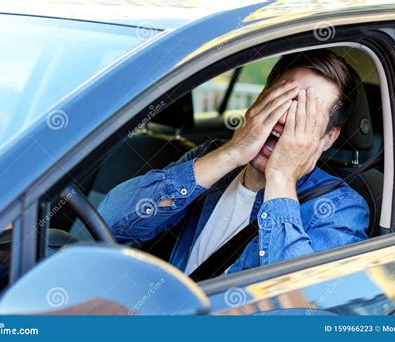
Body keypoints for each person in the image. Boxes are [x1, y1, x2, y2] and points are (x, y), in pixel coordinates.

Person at [98, 49, 369, 277]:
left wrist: (282, 177)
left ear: (328, 138)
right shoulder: (211, 159)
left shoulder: (341, 207)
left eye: (305, 113)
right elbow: (111, 223)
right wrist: (230, 154)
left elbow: (298, 309)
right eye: (282, 99)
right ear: (260, 99)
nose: (285, 118)